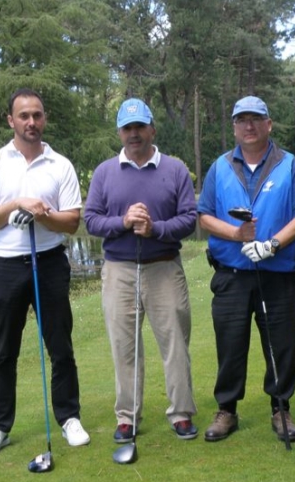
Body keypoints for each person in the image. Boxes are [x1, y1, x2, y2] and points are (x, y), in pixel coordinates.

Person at [0, 88, 90, 457]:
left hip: (50, 262)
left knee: (60, 346)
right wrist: (16, 205)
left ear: (44, 119)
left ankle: (69, 417)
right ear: (11, 120)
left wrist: (44, 215)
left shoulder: (61, 165)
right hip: (6, 266)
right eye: (23, 116)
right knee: (4, 350)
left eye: (37, 115)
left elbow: (72, 223)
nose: (31, 122)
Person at [84, 98, 199, 443]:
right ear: (120, 132)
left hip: (163, 267)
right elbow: (90, 219)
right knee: (124, 346)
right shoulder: (105, 172)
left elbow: (189, 219)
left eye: (140, 127)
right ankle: (127, 417)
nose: (134, 134)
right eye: (127, 128)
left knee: (175, 342)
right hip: (119, 270)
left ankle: (181, 413)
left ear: (152, 129)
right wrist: (123, 221)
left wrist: (155, 229)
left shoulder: (175, 169)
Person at [197, 95, 295, 443]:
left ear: (268, 124)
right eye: (241, 119)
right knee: (230, 344)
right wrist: (234, 234)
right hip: (230, 274)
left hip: (278, 273)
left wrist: (272, 244)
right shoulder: (219, 167)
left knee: (281, 344)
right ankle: (227, 410)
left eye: (255, 119)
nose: (249, 125)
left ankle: (281, 408)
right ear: (233, 126)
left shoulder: (289, 165)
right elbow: (203, 216)